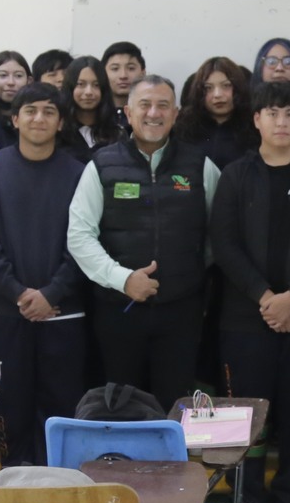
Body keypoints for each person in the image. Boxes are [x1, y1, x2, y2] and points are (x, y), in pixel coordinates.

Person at [210, 80, 290, 503]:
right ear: (257, 119)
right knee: (245, 416)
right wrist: (266, 297)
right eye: (273, 113)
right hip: (246, 317)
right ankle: (247, 500)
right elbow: (225, 245)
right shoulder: (236, 175)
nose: (282, 121)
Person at [67, 75, 223, 405]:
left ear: (175, 113)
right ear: (128, 112)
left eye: (163, 105)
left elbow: (219, 235)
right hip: (118, 310)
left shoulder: (200, 166)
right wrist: (123, 279)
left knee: (175, 405)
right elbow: (79, 236)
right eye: (145, 105)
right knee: (121, 406)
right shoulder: (102, 165)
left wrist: (187, 271)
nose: (154, 113)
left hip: (182, 312)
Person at [0, 83, 90, 465]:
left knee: (62, 408)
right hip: (6, 313)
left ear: (61, 122)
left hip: (63, 313)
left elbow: (86, 243)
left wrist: (52, 293)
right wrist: (21, 294)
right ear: (15, 119)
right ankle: (14, 484)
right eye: (31, 111)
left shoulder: (80, 174)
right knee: (10, 405)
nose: (39, 118)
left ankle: (59, 486)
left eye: (49, 112)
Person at [179, 56, 258, 169]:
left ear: (238, 87)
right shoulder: (185, 128)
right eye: (208, 88)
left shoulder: (255, 128)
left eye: (226, 86)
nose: (217, 95)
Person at [61, 55, 123, 155]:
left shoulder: (117, 133)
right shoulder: (58, 132)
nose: (89, 92)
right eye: (81, 84)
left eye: (96, 85)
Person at [100, 41, 146, 119]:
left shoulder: (151, 113)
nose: (123, 75)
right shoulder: (94, 115)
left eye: (131, 68)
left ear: (143, 73)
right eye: (115, 69)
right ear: (103, 73)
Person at [0, 51, 32, 118]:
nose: (11, 82)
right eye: (3, 75)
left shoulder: (37, 117)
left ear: (29, 81)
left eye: (18, 76)